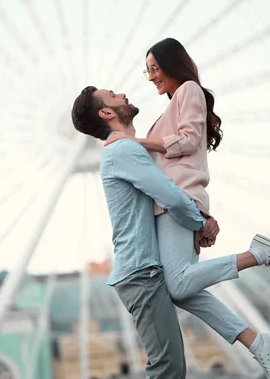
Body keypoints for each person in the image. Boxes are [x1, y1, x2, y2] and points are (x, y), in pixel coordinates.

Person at [104, 38, 270, 378]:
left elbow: (187, 141)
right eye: (148, 70)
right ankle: (257, 343)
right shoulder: (172, 106)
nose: (151, 76)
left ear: (173, 64)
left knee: (180, 286)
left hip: (179, 198)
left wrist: (134, 141)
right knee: (181, 290)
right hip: (173, 203)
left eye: (154, 68)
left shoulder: (188, 90)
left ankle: (257, 254)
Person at [72, 86, 217, 378]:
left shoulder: (119, 152)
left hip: (142, 272)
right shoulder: (123, 150)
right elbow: (170, 196)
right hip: (140, 273)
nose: (123, 94)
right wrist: (201, 223)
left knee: (170, 365)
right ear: (107, 113)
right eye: (113, 95)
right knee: (167, 366)